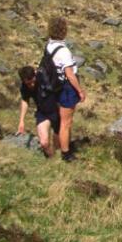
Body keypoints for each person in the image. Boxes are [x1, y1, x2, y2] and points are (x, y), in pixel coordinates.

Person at [46, 16, 85, 162]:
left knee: (59, 120)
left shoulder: (49, 46)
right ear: (64, 31)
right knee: (66, 122)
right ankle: (66, 153)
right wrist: (80, 90)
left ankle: (59, 146)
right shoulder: (63, 51)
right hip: (67, 89)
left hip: (55, 85)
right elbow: (70, 74)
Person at [16, 66, 60, 158]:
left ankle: (59, 160)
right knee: (44, 143)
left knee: (58, 145)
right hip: (42, 113)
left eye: (32, 81)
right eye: (28, 83)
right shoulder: (24, 87)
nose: (31, 85)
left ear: (35, 75)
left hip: (57, 111)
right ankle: (52, 160)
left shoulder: (45, 77)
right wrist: (21, 121)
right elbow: (25, 100)